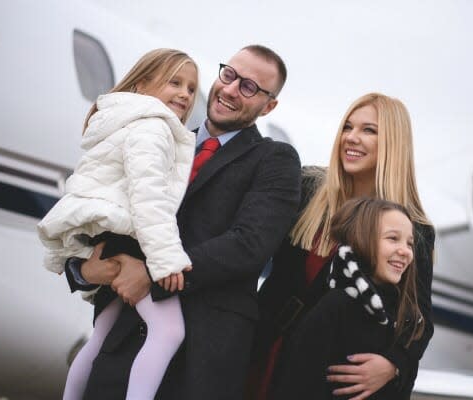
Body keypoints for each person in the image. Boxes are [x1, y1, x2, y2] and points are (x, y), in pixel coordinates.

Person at [64, 45, 301, 400]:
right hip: (120, 352)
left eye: (249, 87)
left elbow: (247, 245)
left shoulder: (275, 159)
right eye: (229, 75)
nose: (232, 89)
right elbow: (107, 211)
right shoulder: (158, 140)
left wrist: (153, 275)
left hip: (200, 364)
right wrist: (83, 270)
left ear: (269, 106)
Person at [37, 48, 199, 399]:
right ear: (141, 85)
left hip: (111, 237)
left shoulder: (124, 122)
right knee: (169, 331)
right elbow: (149, 198)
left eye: (191, 88)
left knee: (101, 336)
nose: (186, 94)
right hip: (130, 239)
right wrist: (165, 259)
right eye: (175, 82)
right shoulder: (153, 128)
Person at [254, 93, 435, 399]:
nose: (352, 138)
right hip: (268, 346)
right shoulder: (308, 190)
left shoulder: (413, 228)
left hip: (329, 373)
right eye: (348, 127)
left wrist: (394, 364)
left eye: (369, 130)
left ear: (393, 142)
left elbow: (419, 317)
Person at [272, 198, 423, 399]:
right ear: (362, 239)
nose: (405, 251)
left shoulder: (406, 317)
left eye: (410, 243)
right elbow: (296, 386)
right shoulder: (335, 306)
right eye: (393, 238)